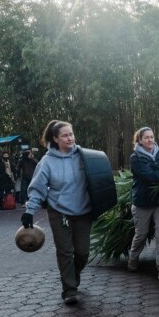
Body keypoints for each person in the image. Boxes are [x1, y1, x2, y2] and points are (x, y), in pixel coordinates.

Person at [21, 120, 93, 305]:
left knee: (83, 253)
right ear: (55, 138)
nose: (70, 138)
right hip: (59, 211)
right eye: (65, 135)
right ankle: (69, 289)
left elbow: (99, 180)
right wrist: (30, 210)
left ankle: (72, 276)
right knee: (65, 251)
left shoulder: (84, 156)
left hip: (83, 210)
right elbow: (37, 188)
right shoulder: (47, 161)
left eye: (71, 134)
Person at [127, 127, 159, 282]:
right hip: (142, 202)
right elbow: (150, 177)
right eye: (146, 137)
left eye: (151, 137)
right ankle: (133, 258)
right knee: (141, 234)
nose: (150, 140)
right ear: (139, 140)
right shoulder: (135, 158)